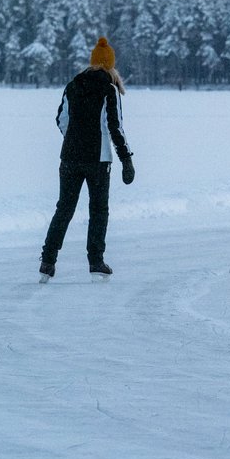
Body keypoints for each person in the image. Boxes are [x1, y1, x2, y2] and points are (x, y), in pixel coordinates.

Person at [39, 37, 135, 281]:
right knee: (98, 210)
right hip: (98, 160)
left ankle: (48, 262)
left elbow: (61, 120)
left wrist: (73, 139)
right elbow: (115, 127)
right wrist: (126, 160)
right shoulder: (109, 89)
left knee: (64, 209)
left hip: (70, 158)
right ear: (110, 65)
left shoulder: (73, 85)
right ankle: (96, 262)